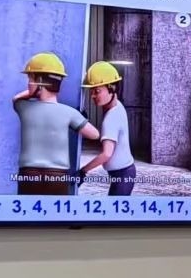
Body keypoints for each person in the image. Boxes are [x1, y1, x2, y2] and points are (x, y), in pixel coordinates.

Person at [12, 52, 99, 195]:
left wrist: (32, 92)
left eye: (30, 79)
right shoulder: (69, 113)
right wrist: (79, 119)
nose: (28, 84)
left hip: (28, 175)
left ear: (40, 81)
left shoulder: (23, 107)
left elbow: (16, 99)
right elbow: (95, 135)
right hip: (58, 176)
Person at [78, 62, 135, 196]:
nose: (93, 96)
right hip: (124, 173)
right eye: (91, 91)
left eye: (97, 91)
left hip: (122, 175)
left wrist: (83, 170)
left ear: (112, 88)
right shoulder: (117, 105)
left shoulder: (111, 118)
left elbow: (106, 154)